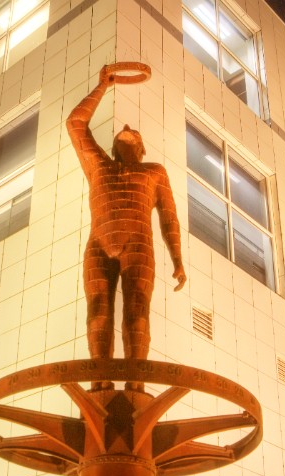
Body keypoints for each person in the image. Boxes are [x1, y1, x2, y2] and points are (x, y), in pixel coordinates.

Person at [67, 65, 186, 390]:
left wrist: (178, 259)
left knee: (136, 314)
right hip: (99, 245)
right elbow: (75, 124)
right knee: (99, 314)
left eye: (133, 132)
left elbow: (168, 217)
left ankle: (136, 390)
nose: (127, 125)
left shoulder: (154, 172)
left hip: (138, 247)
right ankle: (99, 387)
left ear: (141, 147)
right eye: (122, 131)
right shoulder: (98, 165)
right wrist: (102, 86)